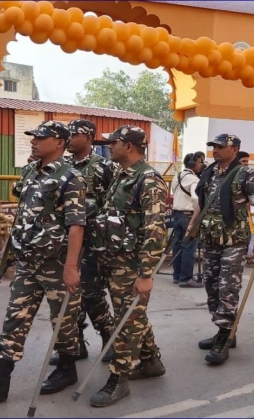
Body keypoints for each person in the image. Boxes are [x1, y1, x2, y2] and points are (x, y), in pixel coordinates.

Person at [0, 121, 86, 401]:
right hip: (28, 260)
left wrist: (71, 267)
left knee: (64, 319)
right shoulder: (29, 172)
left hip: (56, 263)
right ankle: (0, 378)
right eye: (33, 137)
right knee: (15, 317)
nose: (34, 142)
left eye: (40, 137)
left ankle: (68, 368)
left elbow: (76, 225)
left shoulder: (70, 178)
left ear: (59, 142)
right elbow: (24, 205)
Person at [87, 126, 168, 408]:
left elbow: (156, 230)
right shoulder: (121, 176)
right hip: (115, 260)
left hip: (132, 265)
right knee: (133, 314)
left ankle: (118, 379)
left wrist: (146, 274)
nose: (109, 146)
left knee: (127, 320)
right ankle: (150, 361)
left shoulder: (147, 180)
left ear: (130, 146)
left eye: (115, 142)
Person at [190, 134, 254, 365]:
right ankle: (223, 329)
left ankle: (225, 336)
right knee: (211, 285)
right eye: (214, 146)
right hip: (211, 238)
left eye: (220, 147)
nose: (215, 150)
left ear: (234, 149)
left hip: (234, 241)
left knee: (227, 287)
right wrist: (193, 225)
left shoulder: (247, 174)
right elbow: (201, 202)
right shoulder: (210, 171)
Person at [47, 119, 116, 366]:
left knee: (90, 293)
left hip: (93, 241)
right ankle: (75, 345)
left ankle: (109, 338)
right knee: (69, 294)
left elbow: (113, 203)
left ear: (87, 138)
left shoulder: (104, 166)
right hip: (64, 240)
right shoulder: (62, 165)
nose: (69, 138)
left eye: (74, 134)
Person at [170, 152, 203, 287]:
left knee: (177, 246)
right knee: (189, 247)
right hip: (189, 215)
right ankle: (185, 278)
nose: (202, 165)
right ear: (193, 164)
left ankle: (177, 276)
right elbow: (196, 199)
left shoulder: (176, 177)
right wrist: (197, 215)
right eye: (200, 162)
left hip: (177, 214)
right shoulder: (194, 180)